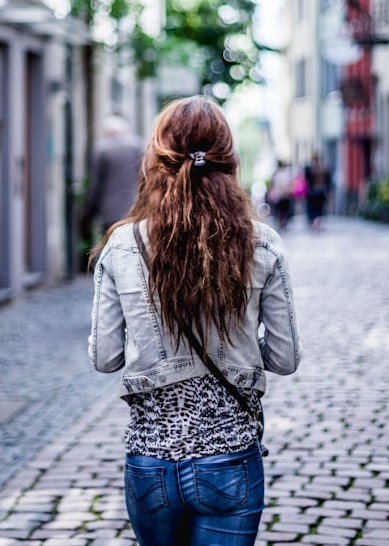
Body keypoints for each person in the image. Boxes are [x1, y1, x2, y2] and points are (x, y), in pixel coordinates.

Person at [88, 95, 302, 546]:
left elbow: (105, 358)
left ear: (155, 158)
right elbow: (283, 358)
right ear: (228, 159)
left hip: (151, 462)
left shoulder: (123, 244)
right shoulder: (261, 243)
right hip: (230, 459)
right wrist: (238, 347)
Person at [81, 115, 144, 237]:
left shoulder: (101, 149)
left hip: (110, 213)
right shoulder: (139, 146)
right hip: (136, 208)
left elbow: (95, 185)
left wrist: (88, 216)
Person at [303, 153, 332, 230]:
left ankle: (315, 221)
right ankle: (316, 221)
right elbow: (328, 181)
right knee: (317, 208)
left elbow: (307, 180)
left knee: (314, 208)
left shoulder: (311, 169)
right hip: (319, 192)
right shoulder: (323, 168)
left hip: (314, 192)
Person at [265, 160, 294, 230]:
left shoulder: (275, 174)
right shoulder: (287, 174)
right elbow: (290, 184)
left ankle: (280, 223)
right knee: (284, 210)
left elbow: (272, 185)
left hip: (278, 195)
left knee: (278, 210)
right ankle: (283, 223)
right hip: (286, 195)